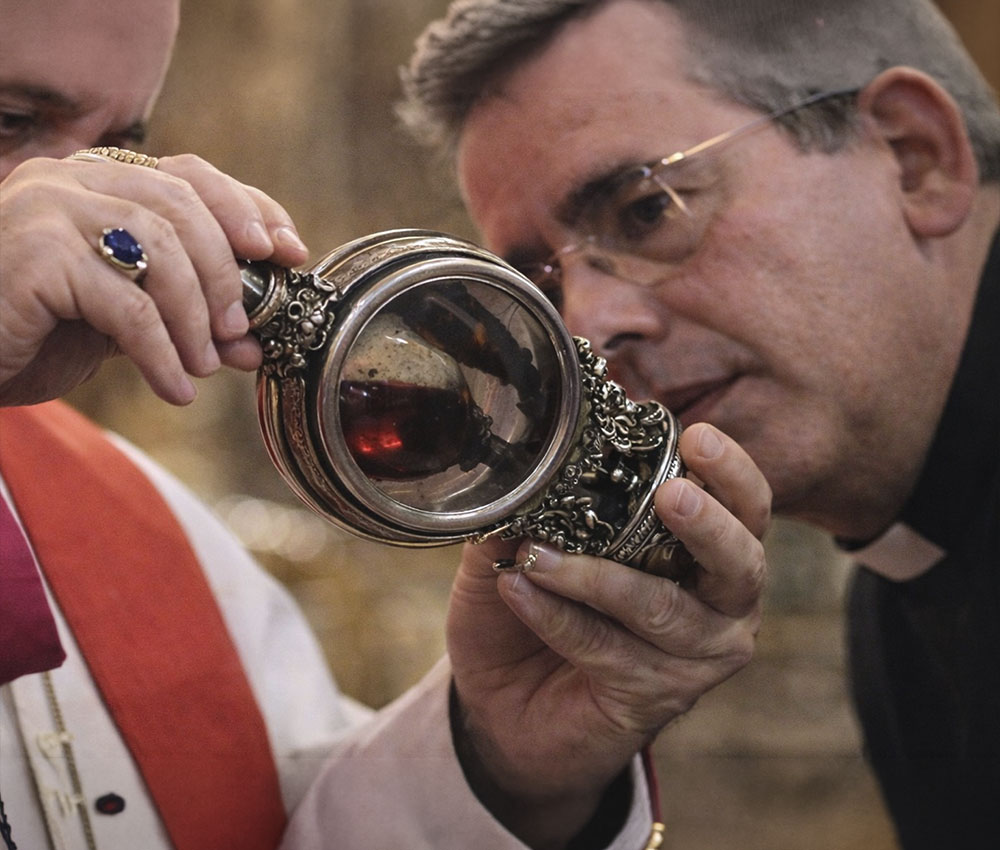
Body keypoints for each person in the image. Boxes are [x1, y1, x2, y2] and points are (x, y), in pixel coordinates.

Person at [1, 1, 770, 849]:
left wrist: (505, 766)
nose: (84, 193)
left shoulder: (142, 533)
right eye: (10, 121)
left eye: (123, 150)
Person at [390, 0, 1000, 847]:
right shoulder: (895, 597)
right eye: (545, 290)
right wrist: (521, 779)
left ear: (913, 156)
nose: (588, 335)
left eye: (645, 210)